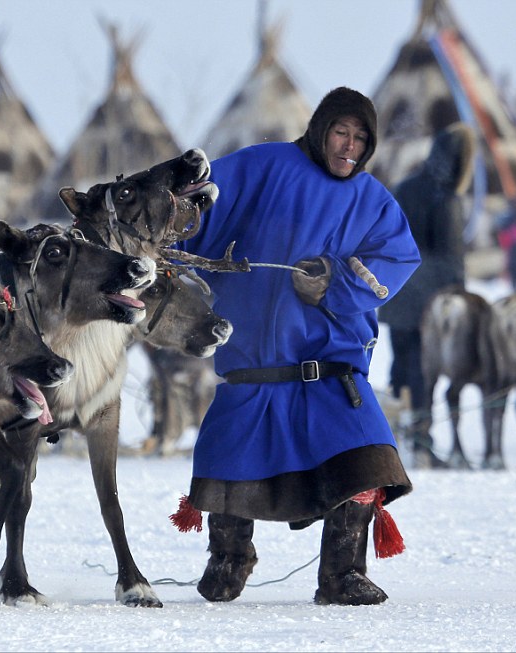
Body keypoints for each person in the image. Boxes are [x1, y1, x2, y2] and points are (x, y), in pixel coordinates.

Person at [174, 87, 421, 606]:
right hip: (253, 371)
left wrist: (333, 281)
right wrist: (163, 215)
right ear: (320, 129)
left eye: (360, 138)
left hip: (332, 374)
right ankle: (230, 557)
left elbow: (395, 260)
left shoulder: (373, 200)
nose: (349, 146)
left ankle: (342, 574)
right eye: (340, 132)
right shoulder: (265, 166)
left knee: (365, 460)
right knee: (228, 466)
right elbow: (197, 208)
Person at [377, 122, 476, 469]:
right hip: (428, 302)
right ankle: (420, 440)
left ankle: (395, 439)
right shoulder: (445, 199)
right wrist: (460, 298)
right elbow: (450, 257)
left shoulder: (404, 187)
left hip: (396, 292)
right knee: (422, 372)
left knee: (401, 366)